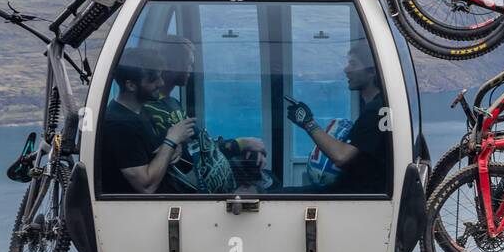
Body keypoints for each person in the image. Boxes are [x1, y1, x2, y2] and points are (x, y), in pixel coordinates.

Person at [145, 37, 268, 173]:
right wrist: (242, 144)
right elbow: (191, 155)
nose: (191, 70)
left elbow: (203, 143)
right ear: (173, 65)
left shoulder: (173, 103)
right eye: (188, 64)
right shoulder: (152, 109)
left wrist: (245, 145)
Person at [286, 40, 388, 193]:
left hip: (357, 195)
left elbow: (341, 156)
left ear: (372, 72)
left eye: (353, 64)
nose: (346, 70)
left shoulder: (376, 110)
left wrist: (307, 122)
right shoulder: (378, 107)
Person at [99, 48, 195, 195]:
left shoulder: (141, 110)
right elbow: (146, 186)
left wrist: (174, 146)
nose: (161, 83)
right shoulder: (118, 125)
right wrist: (172, 139)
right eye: (153, 79)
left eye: (160, 76)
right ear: (130, 85)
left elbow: (158, 151)